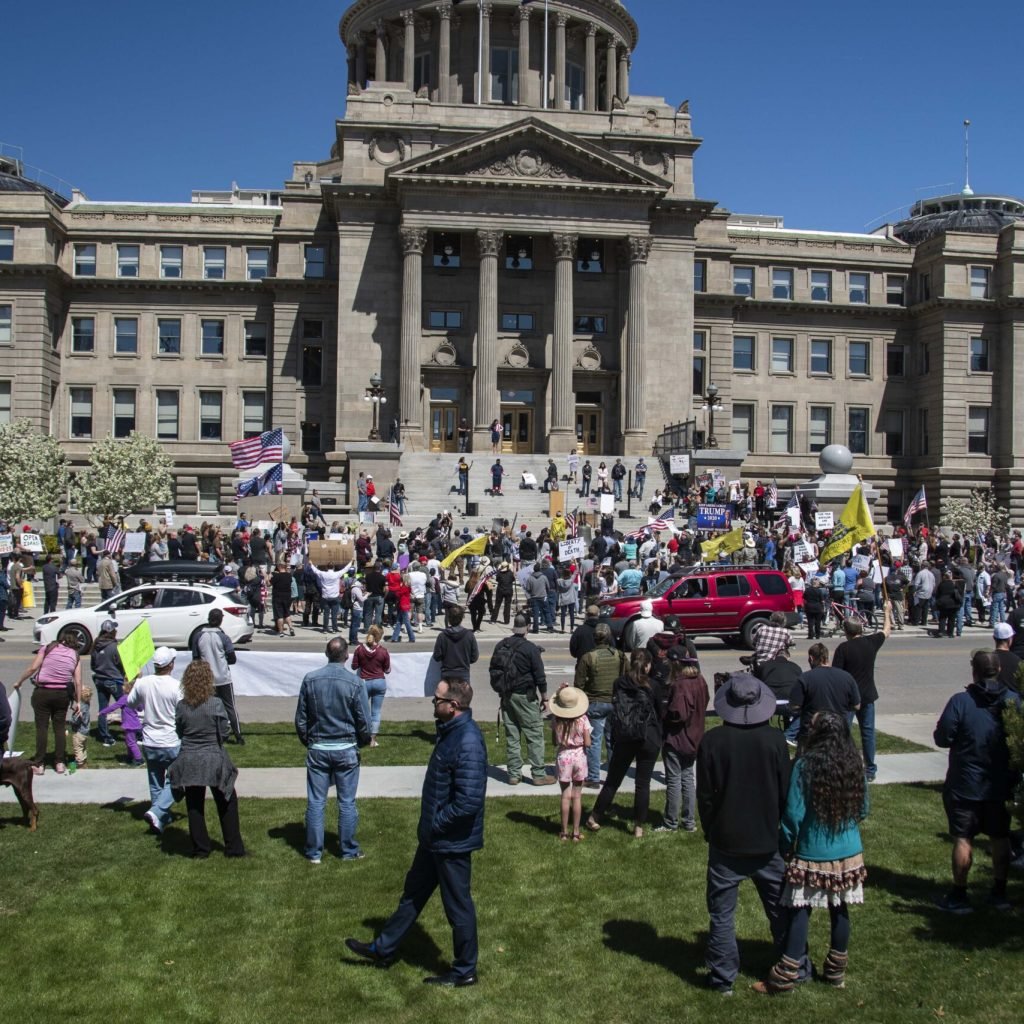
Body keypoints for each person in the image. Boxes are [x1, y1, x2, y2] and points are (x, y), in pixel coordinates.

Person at [345, 677, 486, 987]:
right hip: (434, 840)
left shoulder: (467, 742)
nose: (432, 703)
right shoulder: (451, 732)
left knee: (458, 906)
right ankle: (383, 948)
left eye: (437, 700)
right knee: (412, 894)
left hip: (451, 841)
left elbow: (468, 802)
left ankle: (465, 971)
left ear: (454, 705)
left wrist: (436, 823)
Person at [697, 673, 797, 996]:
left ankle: (723, 978)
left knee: (723, 914)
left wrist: (711, 828)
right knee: (780, 909)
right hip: (766, 840)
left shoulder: (712, 742)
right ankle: (796, 964)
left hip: (727, 839)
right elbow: (785, 793)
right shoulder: (775, 741)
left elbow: (705, 797)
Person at [753, 711, 868, 994]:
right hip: (848, 849)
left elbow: (793, 813)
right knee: (839, 908)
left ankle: (786, 974)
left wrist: (785, 843)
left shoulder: (805, 766)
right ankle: (835, 972)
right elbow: (863, 808)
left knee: (800, 910)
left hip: (813, 850)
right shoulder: (855, 763)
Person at [933, 650, 1021, 913]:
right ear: (999, 671)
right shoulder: (1014, 702)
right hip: (999, 783)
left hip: (966, 783)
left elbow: (943, 736)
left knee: (963, 837)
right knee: (999, 836)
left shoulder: (961, 702)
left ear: (975, 671)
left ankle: (960, 894)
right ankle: (999, 892)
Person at [295, 637, 372, 863]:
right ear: (346, 655)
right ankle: (347, 850)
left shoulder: (311, 680)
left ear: (327, 654)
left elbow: (301, 719)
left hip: (321, 746)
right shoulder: (355, 683)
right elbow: (364, 722)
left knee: (317, 801)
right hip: (343, 747)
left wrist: (309, 741)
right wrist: (362, 740)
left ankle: (314, 852)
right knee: (346, 801)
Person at [168, 660, 245, 859]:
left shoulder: (182, 707)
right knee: (227, 801)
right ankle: (233, 847)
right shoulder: (216, 704)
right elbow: (224, 731)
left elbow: (179, 731)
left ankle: (201, 848)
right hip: (213, 758)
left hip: (190, 759)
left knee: (194, 804)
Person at [585, 650, 661, 838]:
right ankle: (638, 827)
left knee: (613, 781)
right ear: (648, 665)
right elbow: (660, 711)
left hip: (625, 735)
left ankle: (595, 816)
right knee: (642, 784)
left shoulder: (619, 683)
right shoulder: (654, 686)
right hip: (648, 736)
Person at [490, 615, 554, 786]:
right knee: (534, 735)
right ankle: (539, 774)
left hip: (506, 697)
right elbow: (540, 676)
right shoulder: (530, 648)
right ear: (528, 626)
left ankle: (514, 774)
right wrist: (545, 698)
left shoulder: (501, 645)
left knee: (512, 736)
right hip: (525, 697)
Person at [127, 646, 184, 834]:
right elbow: (183, 713)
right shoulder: (176, 686)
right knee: (178, 781)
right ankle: (157, 811)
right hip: (170, 740)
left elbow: (131, 703)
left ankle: (159, 819)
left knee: (155, 780)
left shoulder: (143, 683)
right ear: (171, 665)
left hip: (150, 740)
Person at [832, 603, 890, 781]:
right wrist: (887, 612)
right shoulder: (871, 642)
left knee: (843, 733)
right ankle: (870, 769)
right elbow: (887, 631)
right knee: (868, 733)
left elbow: (837, 675)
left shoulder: (843, 648)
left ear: (847, 631)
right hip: (868, 696)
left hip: (849, 699)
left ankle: (842, 765)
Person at [654, 649, 709, 833]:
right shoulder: (700, 680)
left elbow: (678, 714)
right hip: (695, 736)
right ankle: (689, 821)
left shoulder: (680, 685)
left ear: (676, 663)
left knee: (674, 780)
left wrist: (664, 713)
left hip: (678, 738)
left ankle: (670, 822)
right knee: (688, 778)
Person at [13, 634, 83, 775]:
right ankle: (60, 762)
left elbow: (33, 668)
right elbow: (78, 681)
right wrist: (78, 701)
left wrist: (19, 681)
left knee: (42, 728)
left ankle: (39, 763)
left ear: (60, 640)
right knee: (59, 728)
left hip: (43, 692)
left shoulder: (48, 648)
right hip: (62, 694)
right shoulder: (75, 655)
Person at [575, 623, 624, 789]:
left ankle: (594, 777)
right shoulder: (619, 655)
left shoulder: (588, 657)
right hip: (614, 702)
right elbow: (626, 678)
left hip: (595, 703)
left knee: (595, 742)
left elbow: (578, 684)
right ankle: (613, 776)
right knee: (612, 741)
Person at [190, 608, 243, 745]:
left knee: (207, 708)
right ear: (220, 620)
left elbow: (195, 658)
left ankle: (209, 733)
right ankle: (238, 736)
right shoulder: (224, 637)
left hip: (207, 679)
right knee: (230, 707)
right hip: (223, 678)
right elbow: (232, 659)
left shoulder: (198, 636)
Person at [550, 686, 592, 841]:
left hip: (563, 757)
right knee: (577, 796)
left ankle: (563, 831)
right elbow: (587, 743)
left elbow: (554, 741)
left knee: (565, 796)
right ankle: (575, 832)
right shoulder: (583, 720)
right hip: (579, 758)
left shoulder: (556, 720)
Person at [789, 642, 860, 731]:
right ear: (827, 658)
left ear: (811, 658)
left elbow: (794, 706)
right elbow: (857, 705)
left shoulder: (804, 678)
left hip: (812, 731)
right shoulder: (847, 677)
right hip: (838, 730)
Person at [351, 624, 391, 748]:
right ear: (379, 637)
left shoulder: (359, 649)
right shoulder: (383, 651)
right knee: (376, 712)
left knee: (362, 711)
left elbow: (354, 666)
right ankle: (373, 739)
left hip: (364, 682)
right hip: (379, 681)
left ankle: (361, 735)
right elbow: (387, 670)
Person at [90, 619, 125, 747]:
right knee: (125, 706)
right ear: (112, 632)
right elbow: (120, 663)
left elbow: (93, 665)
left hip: (99, 679)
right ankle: (132, 733)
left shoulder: (95, 646)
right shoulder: (115, 646)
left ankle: (105, 737)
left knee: (103, 709)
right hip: (114, 680)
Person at [431, 604, 479, 681]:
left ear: (449, 619)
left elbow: (437, 656)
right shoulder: (469, 636)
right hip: (463, 674)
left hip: (447, 674)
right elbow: (474, 657)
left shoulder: (442, 636)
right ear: (462, 618)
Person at [69, 684, 93, 768]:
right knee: (83, 747)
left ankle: (80, 763)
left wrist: (71, 720)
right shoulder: (86, 703)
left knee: (78, 748)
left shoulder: (80, 708)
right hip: (85, 731)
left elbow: (76, 721)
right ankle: (84, 760)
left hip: (79, 732)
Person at [270, 561, 296, 637]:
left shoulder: (276, 576)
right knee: (287, 613)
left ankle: (281, 631)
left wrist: (269, 576)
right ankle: (291, 628)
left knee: (279, 616)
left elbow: (269, 583)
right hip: (287, 597)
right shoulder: (289, 576)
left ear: (279, 567)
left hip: (278, 597)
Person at [992, 622, 1021, 690]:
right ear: (1010, 639)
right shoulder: (1018, 661)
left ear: (994, 638)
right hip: (1012, 699)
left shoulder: (987, 659)